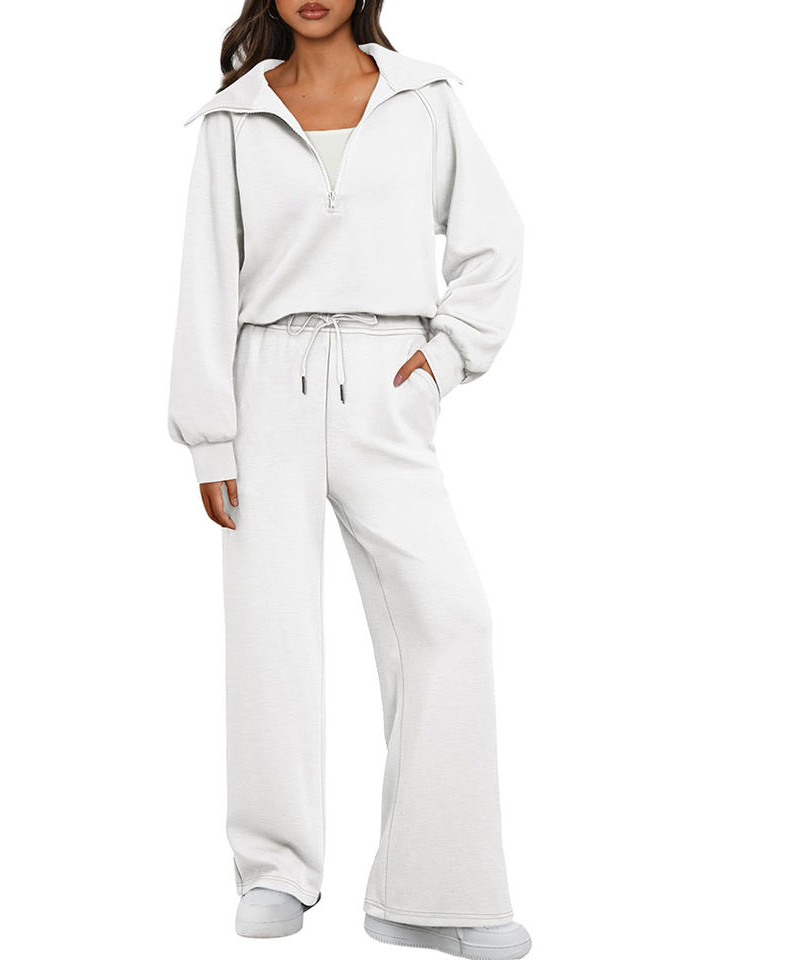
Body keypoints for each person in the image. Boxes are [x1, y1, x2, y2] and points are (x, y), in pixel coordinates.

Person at [167, 2, 530, 956]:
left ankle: (433, 892)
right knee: (272, 632)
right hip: (264, 382)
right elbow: (206, 277)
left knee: (451, 618)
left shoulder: (424, 98)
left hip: (386, 381)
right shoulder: (234, 118)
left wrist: (446, 359)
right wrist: (209, 438)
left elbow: (494, 239)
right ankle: (276, 870)